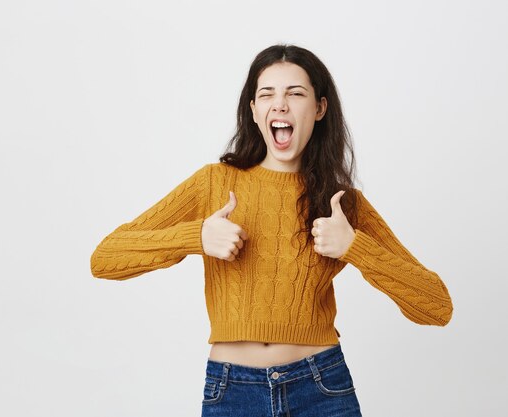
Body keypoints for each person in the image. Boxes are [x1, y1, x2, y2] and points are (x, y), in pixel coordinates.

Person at [90, 44, 453, 417]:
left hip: (321, 388)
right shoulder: (213, 183)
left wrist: (354, 247)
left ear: (319, 108)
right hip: (232, 391)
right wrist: (196, 237)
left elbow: (436, 306)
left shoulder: (341, 202)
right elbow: (105, 258)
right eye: (267, 94)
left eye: (295, 94)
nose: (280, 104)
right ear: (254, 110)